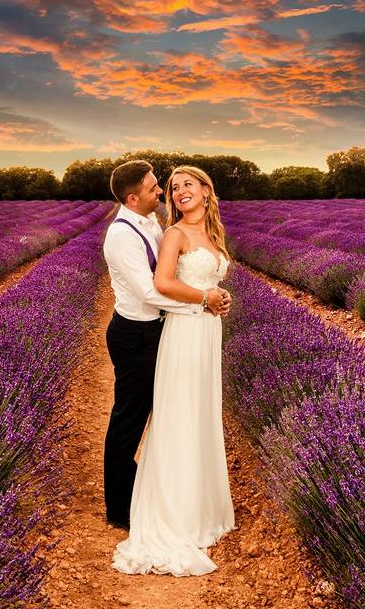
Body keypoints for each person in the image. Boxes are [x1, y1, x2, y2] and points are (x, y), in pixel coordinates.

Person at [111, 165, 235, 577]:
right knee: (168, 416)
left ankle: (201, 502)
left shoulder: (208, 233)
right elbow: (158, 285)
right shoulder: (172, 233)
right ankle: (154, 508)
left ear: (205, 190)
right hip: (178, 331)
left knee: (199, 413)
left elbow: (207, 279)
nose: (175, 192)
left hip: (204, 333)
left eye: (186, 185)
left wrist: (217, 300)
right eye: (169, 187)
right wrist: (204, 300)